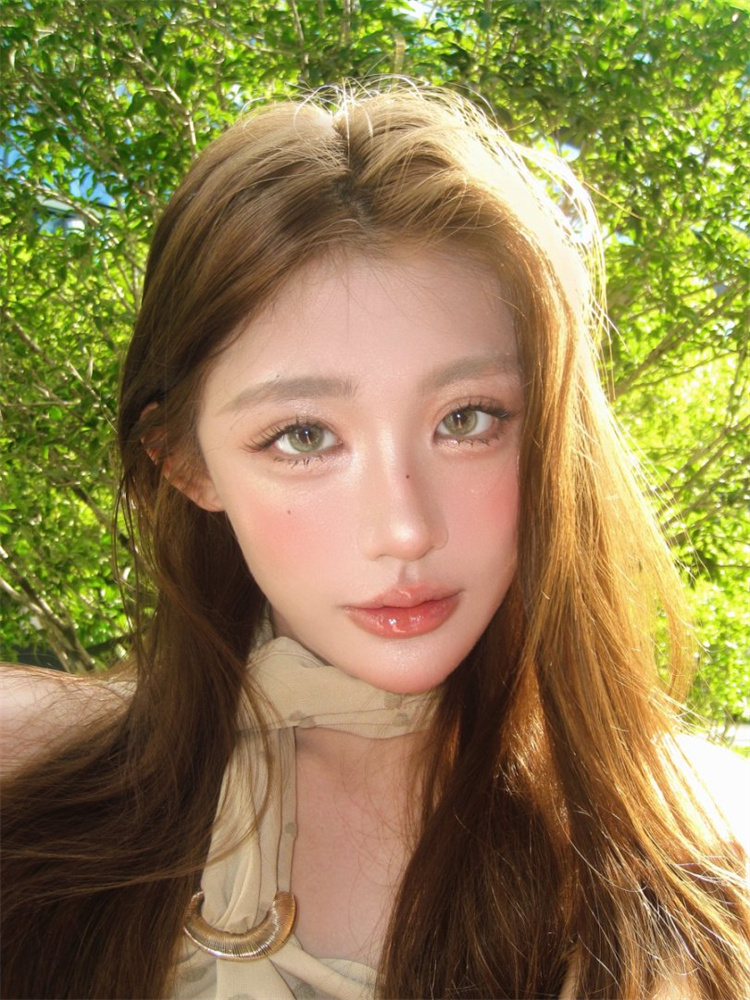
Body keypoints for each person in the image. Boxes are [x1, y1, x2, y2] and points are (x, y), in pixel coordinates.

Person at [1, 84, 748, 1000]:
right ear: (185, 464)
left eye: (467, 419)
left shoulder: (708, 844)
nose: (404, 529)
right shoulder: (34, 786)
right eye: (303, 436)